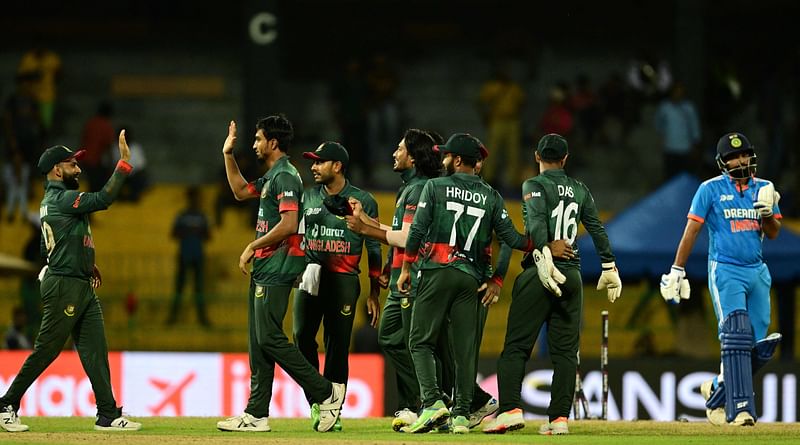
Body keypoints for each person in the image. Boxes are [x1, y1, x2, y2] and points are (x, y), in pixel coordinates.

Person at [0, 132, 142, 432]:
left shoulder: (49, 203)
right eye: (72, 164)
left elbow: (46, 247)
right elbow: (103, 199)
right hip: (65, 285)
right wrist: (124, 165)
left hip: (77, 281)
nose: (78, 169)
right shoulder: (63, 198)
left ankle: (108, 414)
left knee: (95, 348)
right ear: (57, 170)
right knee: (47, 349)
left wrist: (85, 261)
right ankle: (6, 405)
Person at [396, 133, 535, 434]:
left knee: (419, 341)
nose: (443, 160)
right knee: (465, 351)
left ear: (457, 160)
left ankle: (432, 402)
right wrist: (542, 242)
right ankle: (460, 416)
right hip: (472, 278)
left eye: (446, 156)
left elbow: (417, 231)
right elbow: (512, 240)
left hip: (437, 270)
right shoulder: (492, 195)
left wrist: (406, 268)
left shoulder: (434, 186)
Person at [484, 133, 621, 436]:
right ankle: (559, 419)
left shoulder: (534, 185)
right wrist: (609, 264)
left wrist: (543, 249)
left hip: (540, 272)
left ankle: (509, 410)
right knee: (565, 354)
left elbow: (535, 224)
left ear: (536, 157)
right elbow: (597, 228)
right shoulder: (580, 189)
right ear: (566, 159)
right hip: (572, 275)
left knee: (516, 347)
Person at [214, 118, 344, 433]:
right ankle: (256, 413)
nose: (254, 144)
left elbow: (288, 224)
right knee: (259, 342)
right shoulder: (273, 176)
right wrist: (228, 155)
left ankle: (326, 391)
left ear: (273, 143)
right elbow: (241, 192)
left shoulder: (286, 176)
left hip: (279, 265)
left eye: (258, 139)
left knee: (270, 338)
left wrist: (251, 245)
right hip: (266, 266)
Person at [660, 132, 782, 426]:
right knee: (736, 335)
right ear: (722, 163)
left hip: (757, 270)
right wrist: (678, 269)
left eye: (744, 155)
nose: (740, 160)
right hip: (726, 270)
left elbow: (774, 232)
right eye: (733, 157)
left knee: (757, 343)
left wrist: (766, 215)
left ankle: (716, 390)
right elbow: (692, 230)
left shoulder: (765, 188)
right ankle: (740, 409)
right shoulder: (709, 190)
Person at [343, 128, 442, 431]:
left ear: (412, 158)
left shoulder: (420, 189)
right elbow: (398, 230)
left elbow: (411, 236)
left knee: (415, 343)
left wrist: (366, 230)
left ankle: (432, 401)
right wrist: (368, 223)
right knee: (388, 336)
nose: (394, 153)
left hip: (413, 277)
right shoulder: (409, 189)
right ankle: (421, 401)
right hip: (401, 273)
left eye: (400, 149)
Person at [294, 141, 382, 428]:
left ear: (338, 166)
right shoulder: (307, 196)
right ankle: (317, 399)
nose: (313, 167)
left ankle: (333, 408)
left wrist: (374, 292)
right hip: (312, 275)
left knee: (337, 344)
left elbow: (375, 246)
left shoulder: (363, 200)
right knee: (301, 337)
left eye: (320, 162)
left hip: (345, 278)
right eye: (313, 162)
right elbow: (296, 237)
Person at [167, 186, 211, 327]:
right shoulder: (182, 215)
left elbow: (208, 235)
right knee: (179, 288)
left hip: (197, 255)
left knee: (199, 289)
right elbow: (173, 233)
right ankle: (173, 317)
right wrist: (190, 232)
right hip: (184, 255)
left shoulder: (201, 216)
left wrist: (193, 232)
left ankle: (202, 318)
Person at [477, 64, 525, 189]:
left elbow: (521, 103)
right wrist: (485, 116)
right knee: (491, 152)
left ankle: (512, 182)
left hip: (512, 122)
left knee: (513, 153)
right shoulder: (492, 87)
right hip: (497, 121)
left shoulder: (514, 88)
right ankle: (488, 178)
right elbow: (480, 102)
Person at [654, 81, 701, 180]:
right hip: (670, 148)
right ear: (671, 92)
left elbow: (694, 126)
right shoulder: (664, 107)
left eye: (681, 92)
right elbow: (658, 124)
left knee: (685, 176)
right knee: (669, 176)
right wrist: (661, 138)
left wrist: (696, 144)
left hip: (685, 149)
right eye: (676, 92)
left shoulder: (689, 107)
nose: (678, 94)